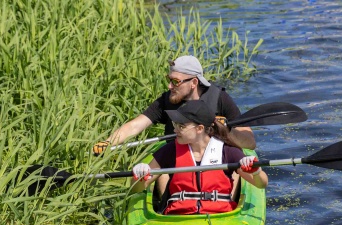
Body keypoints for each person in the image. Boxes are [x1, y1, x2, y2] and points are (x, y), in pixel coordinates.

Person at [93, 55, 255, 195]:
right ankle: (168, 207)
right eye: (169, 80)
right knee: (162, 171)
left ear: (194, 82)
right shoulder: (167, 100)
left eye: (175, 82)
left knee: (235, 169)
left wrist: (226, 130)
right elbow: (135, 126)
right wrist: (108, 142)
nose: (170, 86)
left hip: (216, 162)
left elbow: (249, 142)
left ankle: (227, 206)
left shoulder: (220, 98)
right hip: (177, 162)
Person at [130, 100, 267, 215]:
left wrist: (255, 172)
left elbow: (261, 184)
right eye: (175, 125)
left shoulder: (228, 151)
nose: (175, 130)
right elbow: (136, 189)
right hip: (177, 218)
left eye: (181, 126)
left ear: (200, 129)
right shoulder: (170, 151)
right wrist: (139, 177)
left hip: (219, 218)